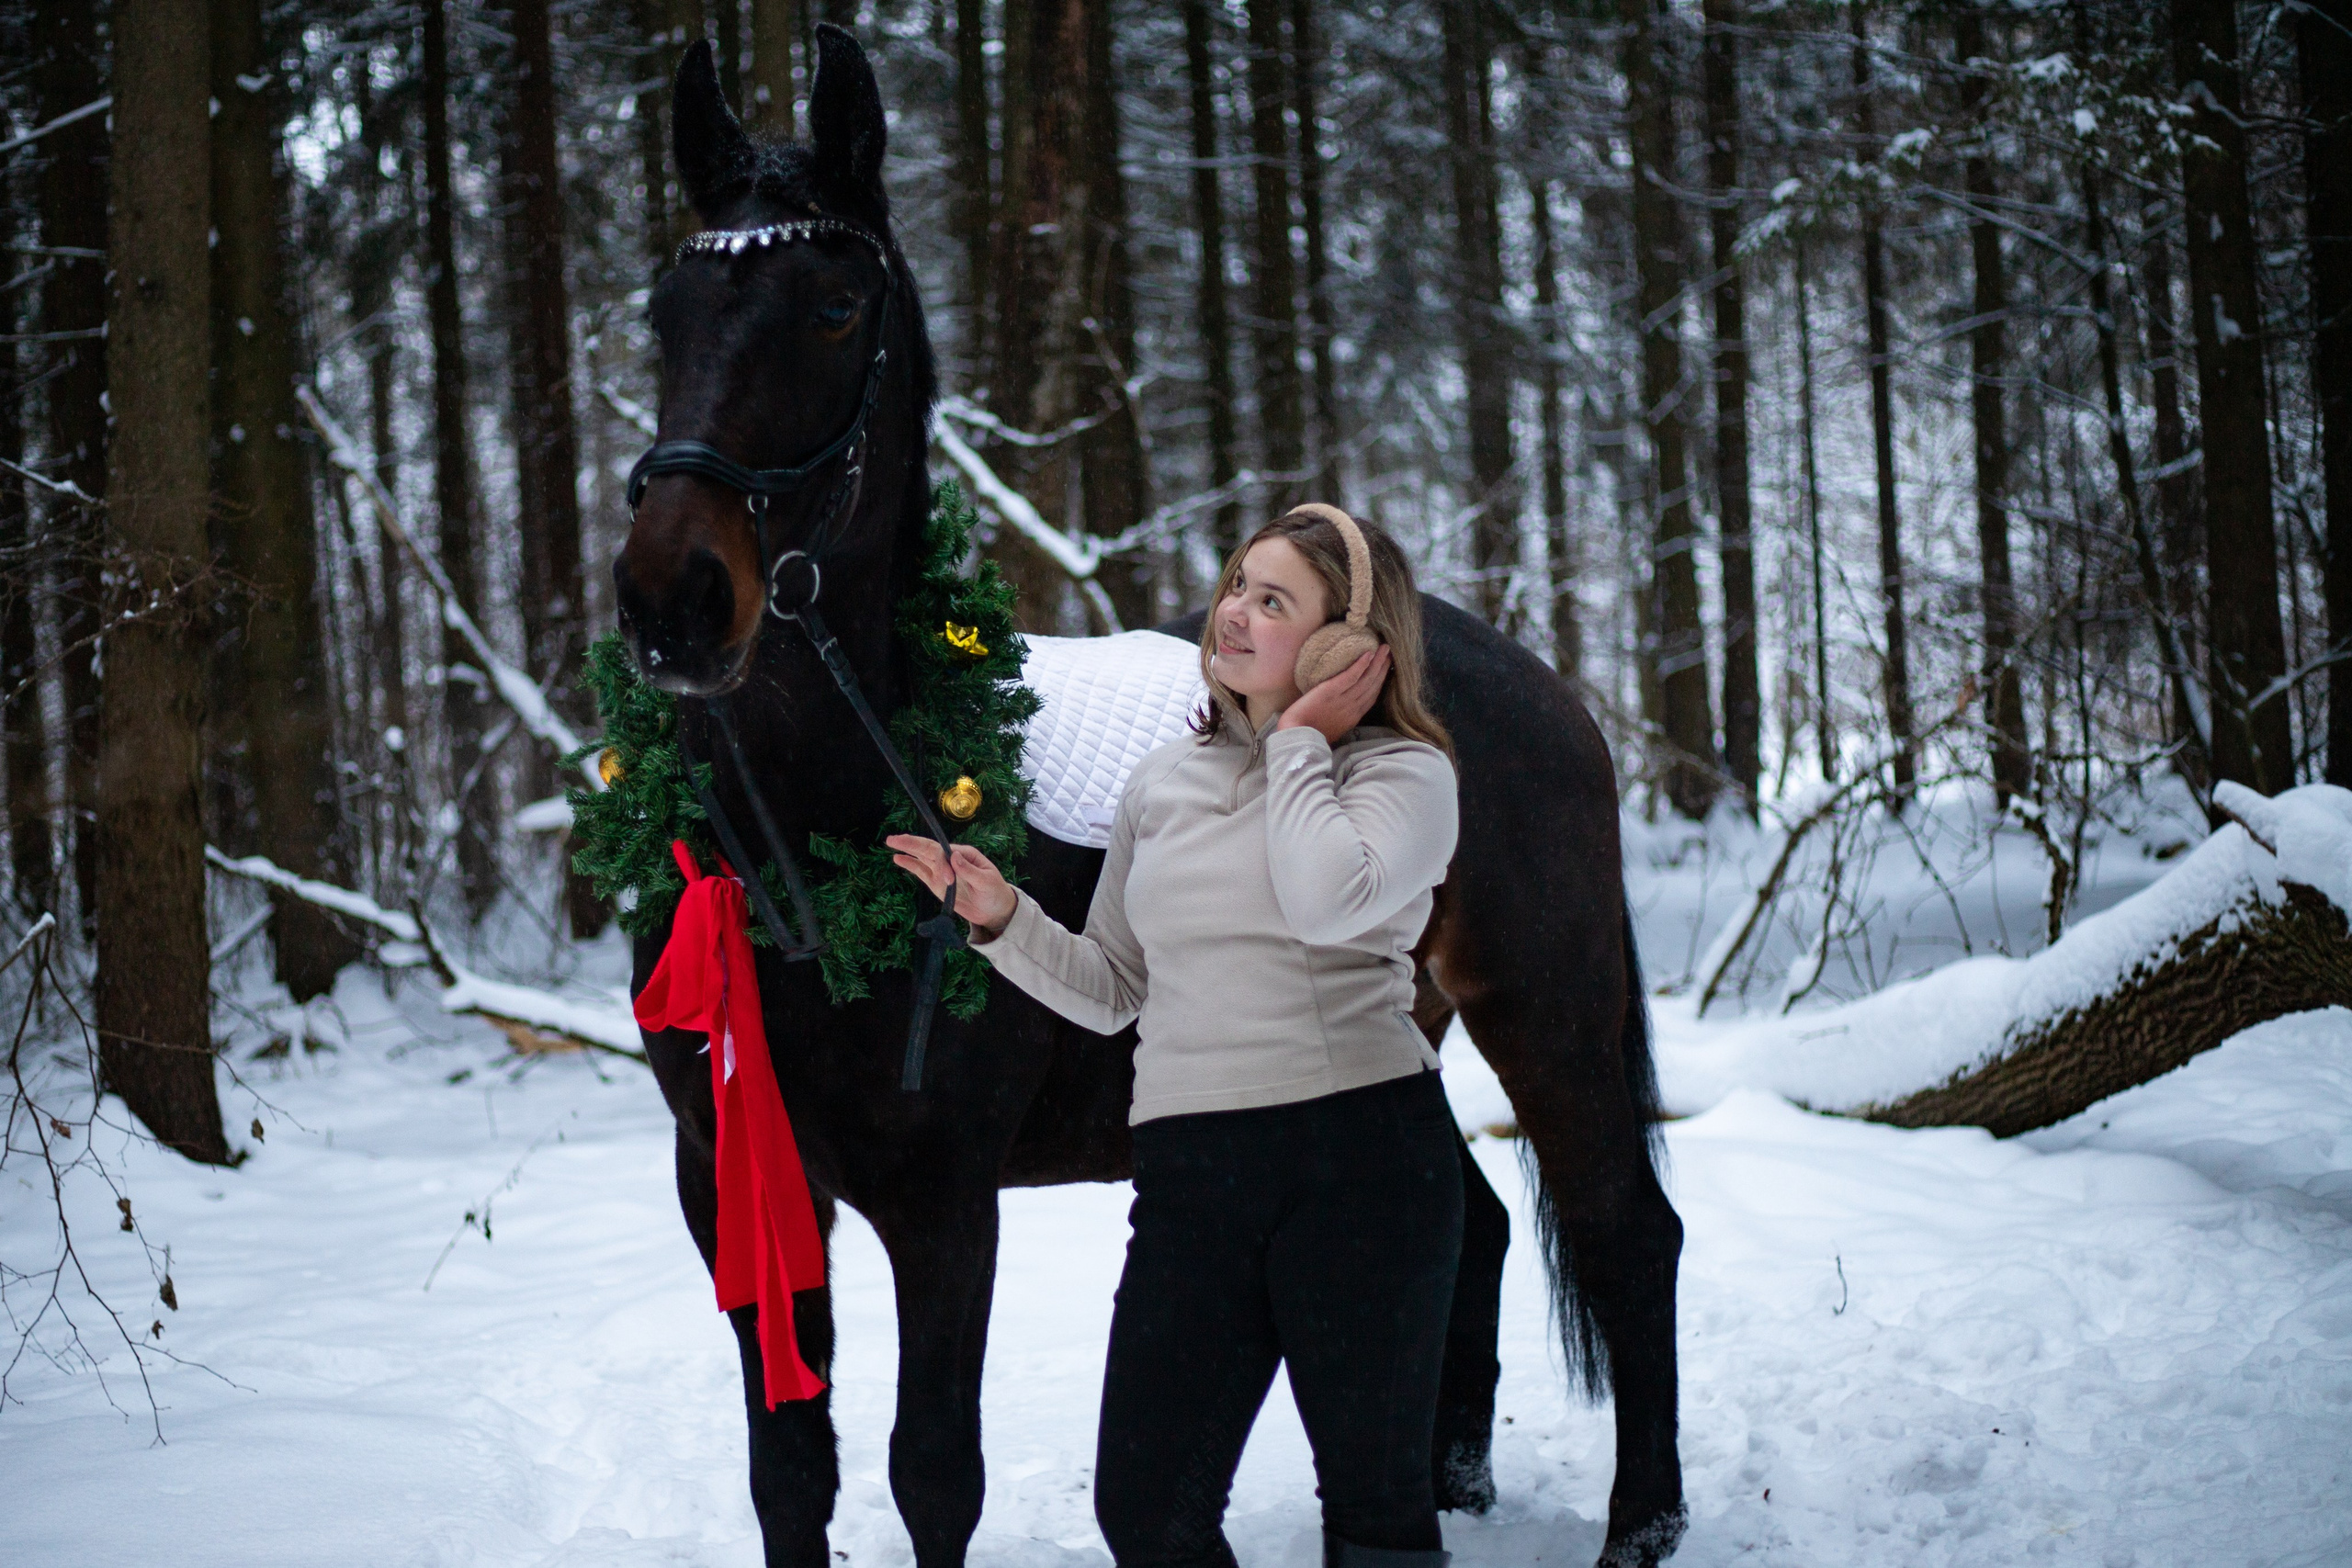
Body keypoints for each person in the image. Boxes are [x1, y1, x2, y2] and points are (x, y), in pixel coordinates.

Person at [888, 503, 1464, 1568]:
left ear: (1348, 645)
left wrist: (1298, 745)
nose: (1233, 614)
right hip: (1194, 1178)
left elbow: (1330, 900)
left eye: (1275, 600)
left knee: (1376, 1528)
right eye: (1238, 585)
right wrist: (1004, 920)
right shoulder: (1159, 783)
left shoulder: (1404, 777)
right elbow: (1115, 988)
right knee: (1146, 1514)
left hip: (1362, 1169)